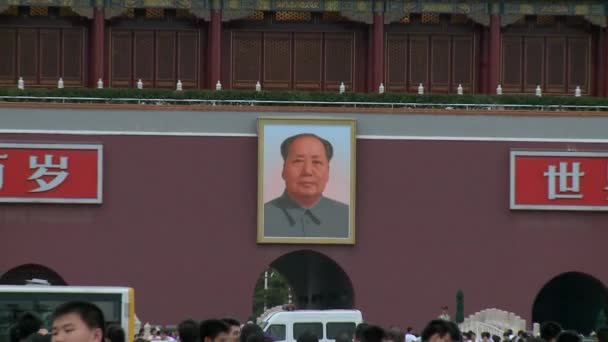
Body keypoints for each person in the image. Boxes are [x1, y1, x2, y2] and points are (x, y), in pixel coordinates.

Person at [263, 133, 349, 238]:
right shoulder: (262, 217)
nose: (307, 171)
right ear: (284, 169)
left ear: (328, 172)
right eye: (298, 161)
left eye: (316, 162)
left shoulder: (348, 217)